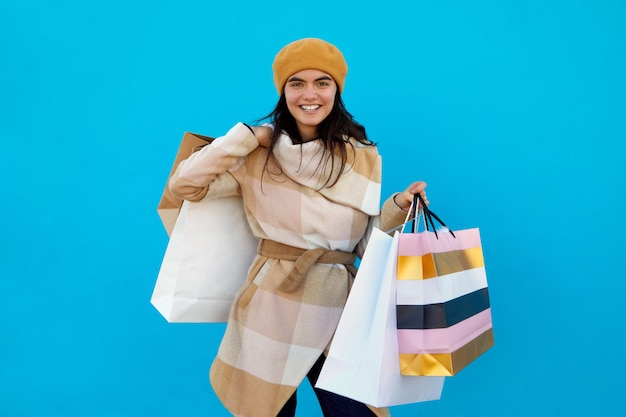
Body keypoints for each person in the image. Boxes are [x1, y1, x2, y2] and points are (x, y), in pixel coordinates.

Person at [168, 37, 428, 417]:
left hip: (339, 304)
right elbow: (184, 185)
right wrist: (245, 136)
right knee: (268, 411)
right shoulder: (256, 154)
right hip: (272, 304)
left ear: (336, 90)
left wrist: (396, 207)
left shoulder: (361, 155)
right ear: (283, 90)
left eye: (322, 82)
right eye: (297, 83)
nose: (310, 94)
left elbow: (362, 246)